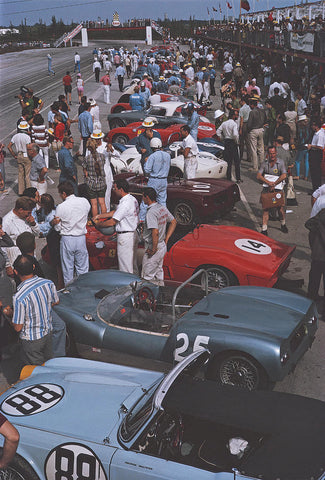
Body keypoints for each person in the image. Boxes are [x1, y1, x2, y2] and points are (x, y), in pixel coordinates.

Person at [9, 254, 59, 365]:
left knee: (36, 369)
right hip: (48, 332)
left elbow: (18, 327)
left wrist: (9, 314)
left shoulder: (19, 297)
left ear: (16, 272)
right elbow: (56, 301)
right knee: (49, 363)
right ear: (33, 267)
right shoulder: (48, 283)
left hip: (31, 340)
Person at [93, 179, 139, 274]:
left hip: (125, 237)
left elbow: (112, 222)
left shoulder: (124, 204)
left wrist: (99, 224)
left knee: (125, 267)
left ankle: (128, 288)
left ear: (120, 189)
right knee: (132, 265)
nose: (114, 190)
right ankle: (135, 285)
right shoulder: (132, 199)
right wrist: (99, 216)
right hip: (133, 234)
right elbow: (116, 212)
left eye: (115, 188)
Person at [52, 181, 90, 286]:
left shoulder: (61, 207)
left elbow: (57, 227)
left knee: (67, 269)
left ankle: (69, 290)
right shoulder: (84, 202)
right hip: (81, 238)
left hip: (67, 239)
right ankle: (83, 288)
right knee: (82, 268)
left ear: (64, 194)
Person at [141, 187, 177, 286]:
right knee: (158, 273)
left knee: (147, 277)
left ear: (147, 197)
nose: (142, 199)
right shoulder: (161, 208)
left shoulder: (151, 212)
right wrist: (167, 238)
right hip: (162, 245)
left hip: (154, 246)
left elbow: (155, 232)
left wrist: (153, 249)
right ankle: (161, 294)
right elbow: (173, 221)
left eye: (143, 197)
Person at [257, 146, 288, 236]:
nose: (272, 155)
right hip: (267, 188)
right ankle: (264, 229)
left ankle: (283, 224)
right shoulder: (264, 163)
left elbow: (284, 175)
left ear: (276, 153)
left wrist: (274, 183)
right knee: (265, 208)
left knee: (280, 208)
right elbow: (258, 175)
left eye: (273, 153)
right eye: (270, 153)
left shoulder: (281, 162)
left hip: (277, 189)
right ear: (268, 154)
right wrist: (268, 182)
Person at [139, 137, 171, 221]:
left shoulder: (152, 156)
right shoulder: (167, 155)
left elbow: (147, 170)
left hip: (154, 180)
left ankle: (142, 220)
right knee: (162, 201)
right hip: (164, 180)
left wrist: (146, 161)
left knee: (146, 201)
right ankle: (164, 219)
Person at [2, 196, 40, 267]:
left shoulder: (27, 218)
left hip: (31, 255)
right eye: (28, 212)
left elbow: (37, 234)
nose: (30, 215)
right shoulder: (6, 222)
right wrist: (7, 265)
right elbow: (2, 245)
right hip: (15, 257)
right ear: (20, 210)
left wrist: (33, 224)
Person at [305, 208, 325, 316]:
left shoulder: (319, 216)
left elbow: (309, 229)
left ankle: (310, 302)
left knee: (314, 280)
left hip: (317, 255)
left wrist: (313, 247)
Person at [82, 138, 107, 217]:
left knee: (94, 204)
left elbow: (85, 171)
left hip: (91, 183)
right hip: (101, 182)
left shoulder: (87, 158)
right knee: (102, 202)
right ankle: (103, 219)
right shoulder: (102, 156)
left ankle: (95, 220)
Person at [217, 109, 241, 183]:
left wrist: (222, 138)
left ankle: (228, 177)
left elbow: (218, 132)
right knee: (236, 161)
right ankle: (238, 178)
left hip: (226, 142)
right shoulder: (234, 124)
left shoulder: (224, 123)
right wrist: (236, 141)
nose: (237, 116)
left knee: (228, 161)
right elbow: (235, 134)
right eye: (236, 115)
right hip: (233, 142)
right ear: (233, 116)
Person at [7, 121, 31, 195]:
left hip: (19, 155)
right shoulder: (27, 137)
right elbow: (28, 147)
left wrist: (14, 155)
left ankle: (21, 191)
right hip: (26, 155)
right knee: (27, 175)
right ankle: (28, 191)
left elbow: (9, 146)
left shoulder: (15, 136)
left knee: (20, 174)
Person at [247, 98, 267, 171]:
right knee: (261, 149)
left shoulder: (252, 112)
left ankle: (255, 166)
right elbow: (265, 120)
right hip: (261, 129)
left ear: (252, 105)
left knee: (254, 149)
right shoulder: (262, 111)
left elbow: (249, 124)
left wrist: (248, 131)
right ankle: (262, 165)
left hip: (253, 130)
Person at [307, 118, 325, 193]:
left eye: (313, 125)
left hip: (316, 154)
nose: (312, 126)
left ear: (316, 126)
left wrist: (312, 146)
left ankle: (317, 189)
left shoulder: (320, 134)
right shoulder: (316, 133)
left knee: (316, 172)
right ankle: (314, 188)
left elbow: (320, 147)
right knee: (313, 172)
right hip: (313, 153)